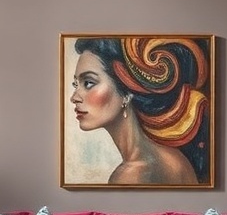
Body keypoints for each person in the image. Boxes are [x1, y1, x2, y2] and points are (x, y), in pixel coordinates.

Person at [70, 36, 211, 185]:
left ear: (126, 92)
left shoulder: (131, 175)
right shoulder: (174, 158)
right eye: (75, 85)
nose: (74, 98)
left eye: (88, 83)